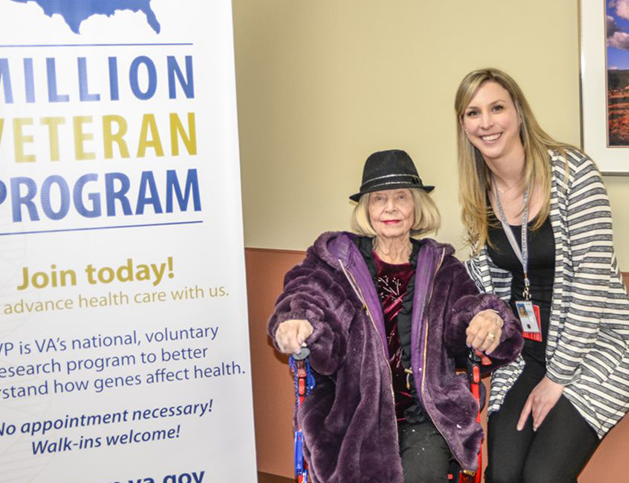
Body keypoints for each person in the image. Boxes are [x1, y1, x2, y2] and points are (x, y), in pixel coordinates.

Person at [268, 149, 523, 483]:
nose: (390, 208)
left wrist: (489, 318)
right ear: (366, 209)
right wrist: (297, 320)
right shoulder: (336, 260)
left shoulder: (441, 267)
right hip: (352, 414)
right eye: (378, 198)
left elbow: (466, 312)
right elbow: (306, 295)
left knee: (425, 472)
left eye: (401, 197)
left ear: (416, 206)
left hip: (426, 414)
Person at [454, 67, 629, 483]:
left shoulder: (573, 174)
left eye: (496, 107)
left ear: (518, 112)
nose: (486, 122)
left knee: (542, 477)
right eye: (473, 113)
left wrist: (557, 378)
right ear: (463, 126)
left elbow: (593, 286)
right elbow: (484, 290)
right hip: (527, 352)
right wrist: (486, 316)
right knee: (503, 475)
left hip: (597, 347)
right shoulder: (479, 196)